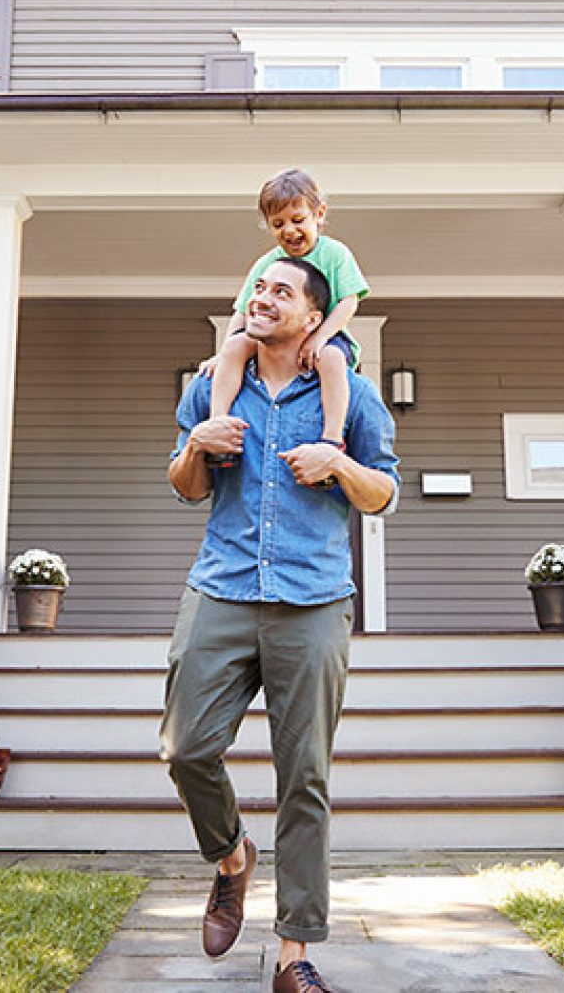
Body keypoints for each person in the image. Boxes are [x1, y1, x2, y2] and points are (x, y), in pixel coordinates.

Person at [163, 256, 399, 993]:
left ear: (312, 315)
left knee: (305, 779)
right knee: (185, 747)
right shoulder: (212, 384)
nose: (263, 299)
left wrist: (338, 461)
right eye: (258, 288)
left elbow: (384, 490)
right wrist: (196, 446)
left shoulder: (350, 393)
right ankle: (232, 858)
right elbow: (185, 484)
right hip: (223, 588)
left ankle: (295, 957)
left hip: (314, 599)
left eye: (281, 292)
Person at [201, 169, 369, 479]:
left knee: (331, 357)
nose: (289, 230)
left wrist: (320, 338)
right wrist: (223, 352)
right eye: (278, 224)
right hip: (277, 338)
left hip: (325, 333)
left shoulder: (334, 254)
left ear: (319, 214)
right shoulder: (268, 263)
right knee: (237, 345)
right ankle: (219, 426)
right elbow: (242, 311)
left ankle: (332, 439)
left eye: (297, 220)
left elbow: (349, 301)